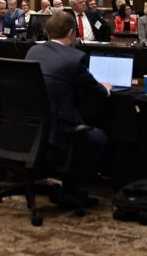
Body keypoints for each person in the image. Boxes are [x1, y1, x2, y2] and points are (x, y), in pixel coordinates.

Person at [25, 12, 111, 197]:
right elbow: (99, 92)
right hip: (60, 132)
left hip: (32, 129)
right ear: (72, 33)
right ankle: (74, 188)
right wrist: (106, 87)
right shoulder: (75, 57)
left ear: (47, 33)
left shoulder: (33, 52)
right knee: (99, 137)